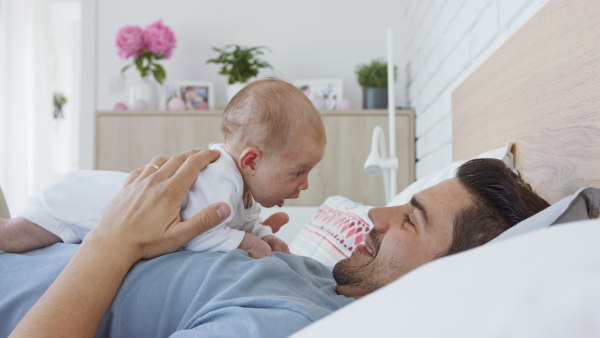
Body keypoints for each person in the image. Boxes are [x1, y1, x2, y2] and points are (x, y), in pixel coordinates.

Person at [1, 152, 549, 336]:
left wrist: (114, 239)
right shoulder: (321, 281)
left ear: (447, 280)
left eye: (409, 220)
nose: (374, 216)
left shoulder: (282, 323)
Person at [0, 79, 326, 259]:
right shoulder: (220, 176)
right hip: (75, 201)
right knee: (13, 236)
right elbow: (198, 233)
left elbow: (244, 224)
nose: (305, 184)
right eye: (297, 172)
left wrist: (266, 236)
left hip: (100, 218)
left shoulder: (246, 192)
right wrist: (248, 244)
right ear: (251, 161)